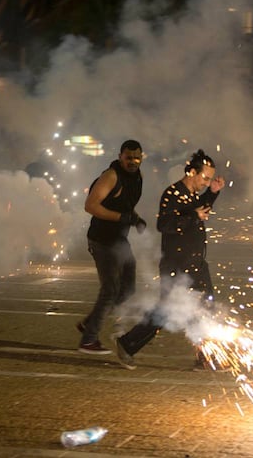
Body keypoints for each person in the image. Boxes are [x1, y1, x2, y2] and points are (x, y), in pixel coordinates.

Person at [115, 149, 225, 370]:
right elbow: (164, 224)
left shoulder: (192, 194)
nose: (206, 182)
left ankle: (205, 356)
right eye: (205, 178)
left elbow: (199, 208)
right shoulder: (173, 194)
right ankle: (127, 343)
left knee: (205, 308)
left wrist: (212, 193)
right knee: (167, 311)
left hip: (195, 264)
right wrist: (194, 215)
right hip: (177, 266)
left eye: (210, 179)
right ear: (192, 172)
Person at [76, 139, 146, 355]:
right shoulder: (111, 176)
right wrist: (121, 217)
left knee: (129, 288)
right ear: (120, 156)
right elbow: (90, 206)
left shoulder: (137, 177)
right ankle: (88, 340)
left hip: (119, 240)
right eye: (128, 157)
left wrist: (135, 218)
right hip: (102, 240)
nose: (133, 162)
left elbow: (126, 204)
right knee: (110, 290)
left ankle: (90, 323)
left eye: (137, 158)